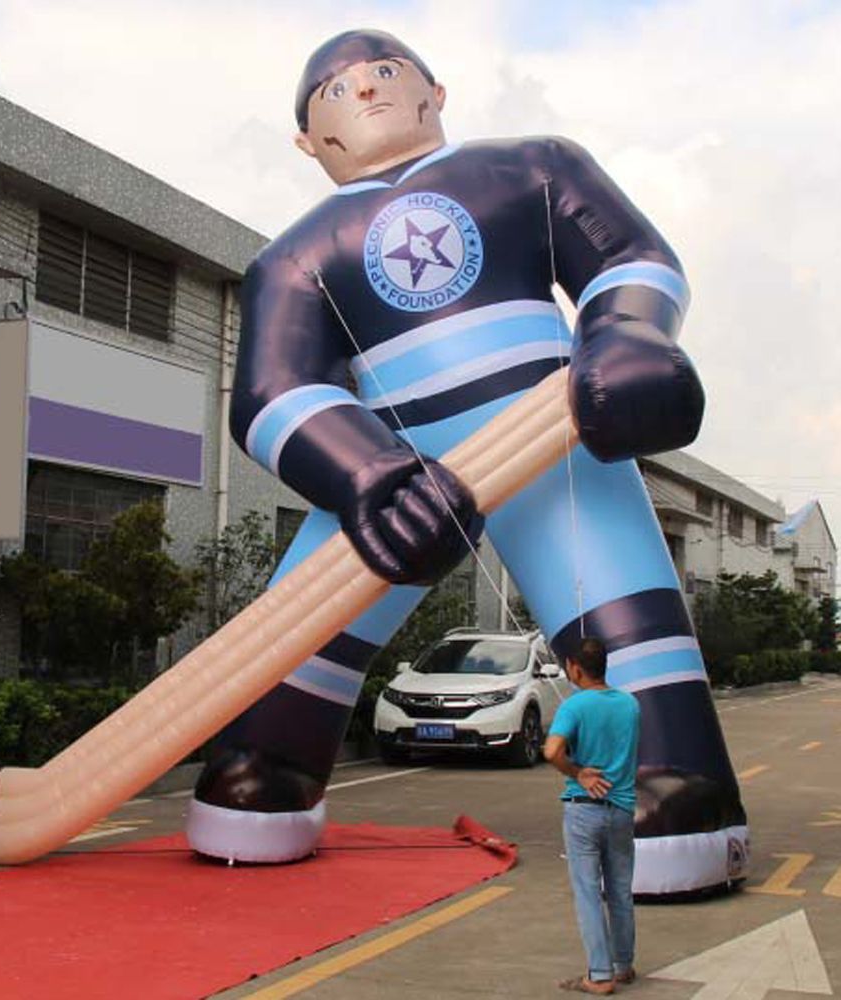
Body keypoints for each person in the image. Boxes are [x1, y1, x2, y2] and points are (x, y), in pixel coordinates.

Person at [186, 28, 747, 897]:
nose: (363, 92)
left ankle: (675, 789)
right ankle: (264, 774)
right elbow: (271, 392)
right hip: (395, 469)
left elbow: (631, 260)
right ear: (307, 141)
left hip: (551, 437)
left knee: (624, 616)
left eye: (382, 73)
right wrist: (362, 473)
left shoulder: (534, 165)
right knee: (298, 637)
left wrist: (625, 335)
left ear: (433, 91)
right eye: (335, 91)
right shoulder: (291, 257)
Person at [545, 637, 640, 995]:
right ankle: (623, 965)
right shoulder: (630, 704)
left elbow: (552, 750)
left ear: (575, 668)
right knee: (619, 889)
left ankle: (599, 975)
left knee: (587, 891)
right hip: (622, 808)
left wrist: (578, 772)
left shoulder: (575, 705)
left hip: (584, 809)